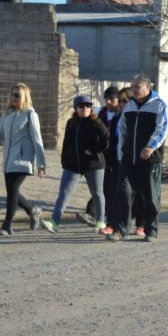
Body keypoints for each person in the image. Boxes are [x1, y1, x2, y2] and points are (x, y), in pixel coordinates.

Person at [0, 83, 46, 236]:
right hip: (9, 160)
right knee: (12, 190)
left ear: (25, 97)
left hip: (24, 160)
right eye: (12, 94)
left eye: (17, 95)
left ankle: (7, 224)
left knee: (13, 189)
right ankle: (32, 210)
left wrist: (41, 164)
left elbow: (37, 140)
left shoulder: (30, 115)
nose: (13, 97)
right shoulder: (7, 115)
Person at [108, 74, 168, 241]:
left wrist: (150, 146)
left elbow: (162, 129)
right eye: (132, 86)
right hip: (128, 159)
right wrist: (121, 152)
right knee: (123, 193)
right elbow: (123, 131)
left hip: (150, 159)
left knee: (150, 196)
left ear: (148, 88)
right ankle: (120, 230)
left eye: (137, 87)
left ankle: (150, 230)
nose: (133, 90)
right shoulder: (129, 106)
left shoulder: (159, 105)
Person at [40, 95, 109, 234]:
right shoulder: (71, 123)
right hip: (73, 166)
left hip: (93, 165)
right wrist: (64, 160)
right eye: (81, 106)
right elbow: (66, 143)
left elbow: (106, 141)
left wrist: (92, 150)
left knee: (97, 193)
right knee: (64, 193)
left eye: (88, 106)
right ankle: (54, 222)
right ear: (76, 108)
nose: (85, 108)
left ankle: (101, 221)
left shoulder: (97, 122)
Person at [77, 86, 121, 230]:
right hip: (101, 157)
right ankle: (93, 213)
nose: (108, 102)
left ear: (118, 100)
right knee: (100, 188)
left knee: (110, 188)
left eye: (112, 99)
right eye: (106, 99)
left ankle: (108, 217)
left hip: (116, 157)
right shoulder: (100, 114)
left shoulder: (122, 115)